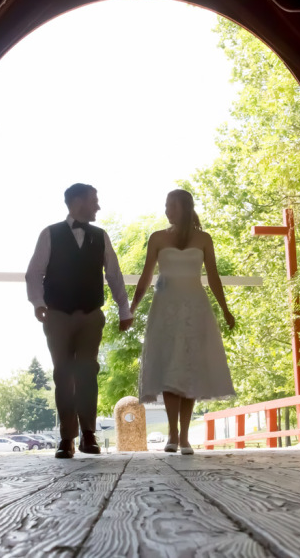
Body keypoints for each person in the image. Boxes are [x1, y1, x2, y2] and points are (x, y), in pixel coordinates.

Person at [25, 183, 134, 459]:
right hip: (57, 315)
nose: (97, 206)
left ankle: (88, 434)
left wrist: (124, 309)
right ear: (77, 201)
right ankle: (66, 438)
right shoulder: (49, 234)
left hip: (90, 316)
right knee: (63, 374)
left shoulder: (101, 236)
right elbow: (34, 272)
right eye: (93, 200)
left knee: (87, 372)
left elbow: (114, 274)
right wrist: (38, 303)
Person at [128, 189, 236, 454]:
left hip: (195, 309)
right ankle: (172, 435)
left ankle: (186, 436)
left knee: (189, 368)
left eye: (171, 206)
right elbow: (145, 278)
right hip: (165, 309)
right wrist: (130, 309)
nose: (167, 210)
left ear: (185, 208)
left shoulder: (204, 239)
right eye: (166, 206)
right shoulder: (157, 238)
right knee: (169, 368)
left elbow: (213, 277)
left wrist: (225, 309)